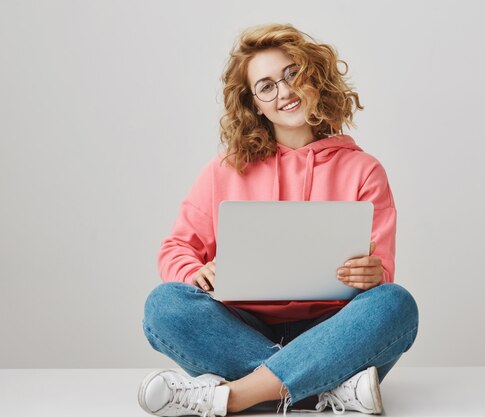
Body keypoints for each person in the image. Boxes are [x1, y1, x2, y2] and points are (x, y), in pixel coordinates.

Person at [139, 23, 419, 417]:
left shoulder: (364, 170)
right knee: (164, 305)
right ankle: (329, 389)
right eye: (266, 86)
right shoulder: (225, 170)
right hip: (240, 328)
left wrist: (372, 273)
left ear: (314, 78)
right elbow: (176, 247)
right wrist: (193, 271)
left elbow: (382, 270)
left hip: (333, 330)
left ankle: (234, 396)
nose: (284, 91)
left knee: (395, 304)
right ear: (254, 103)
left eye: (292, 74)